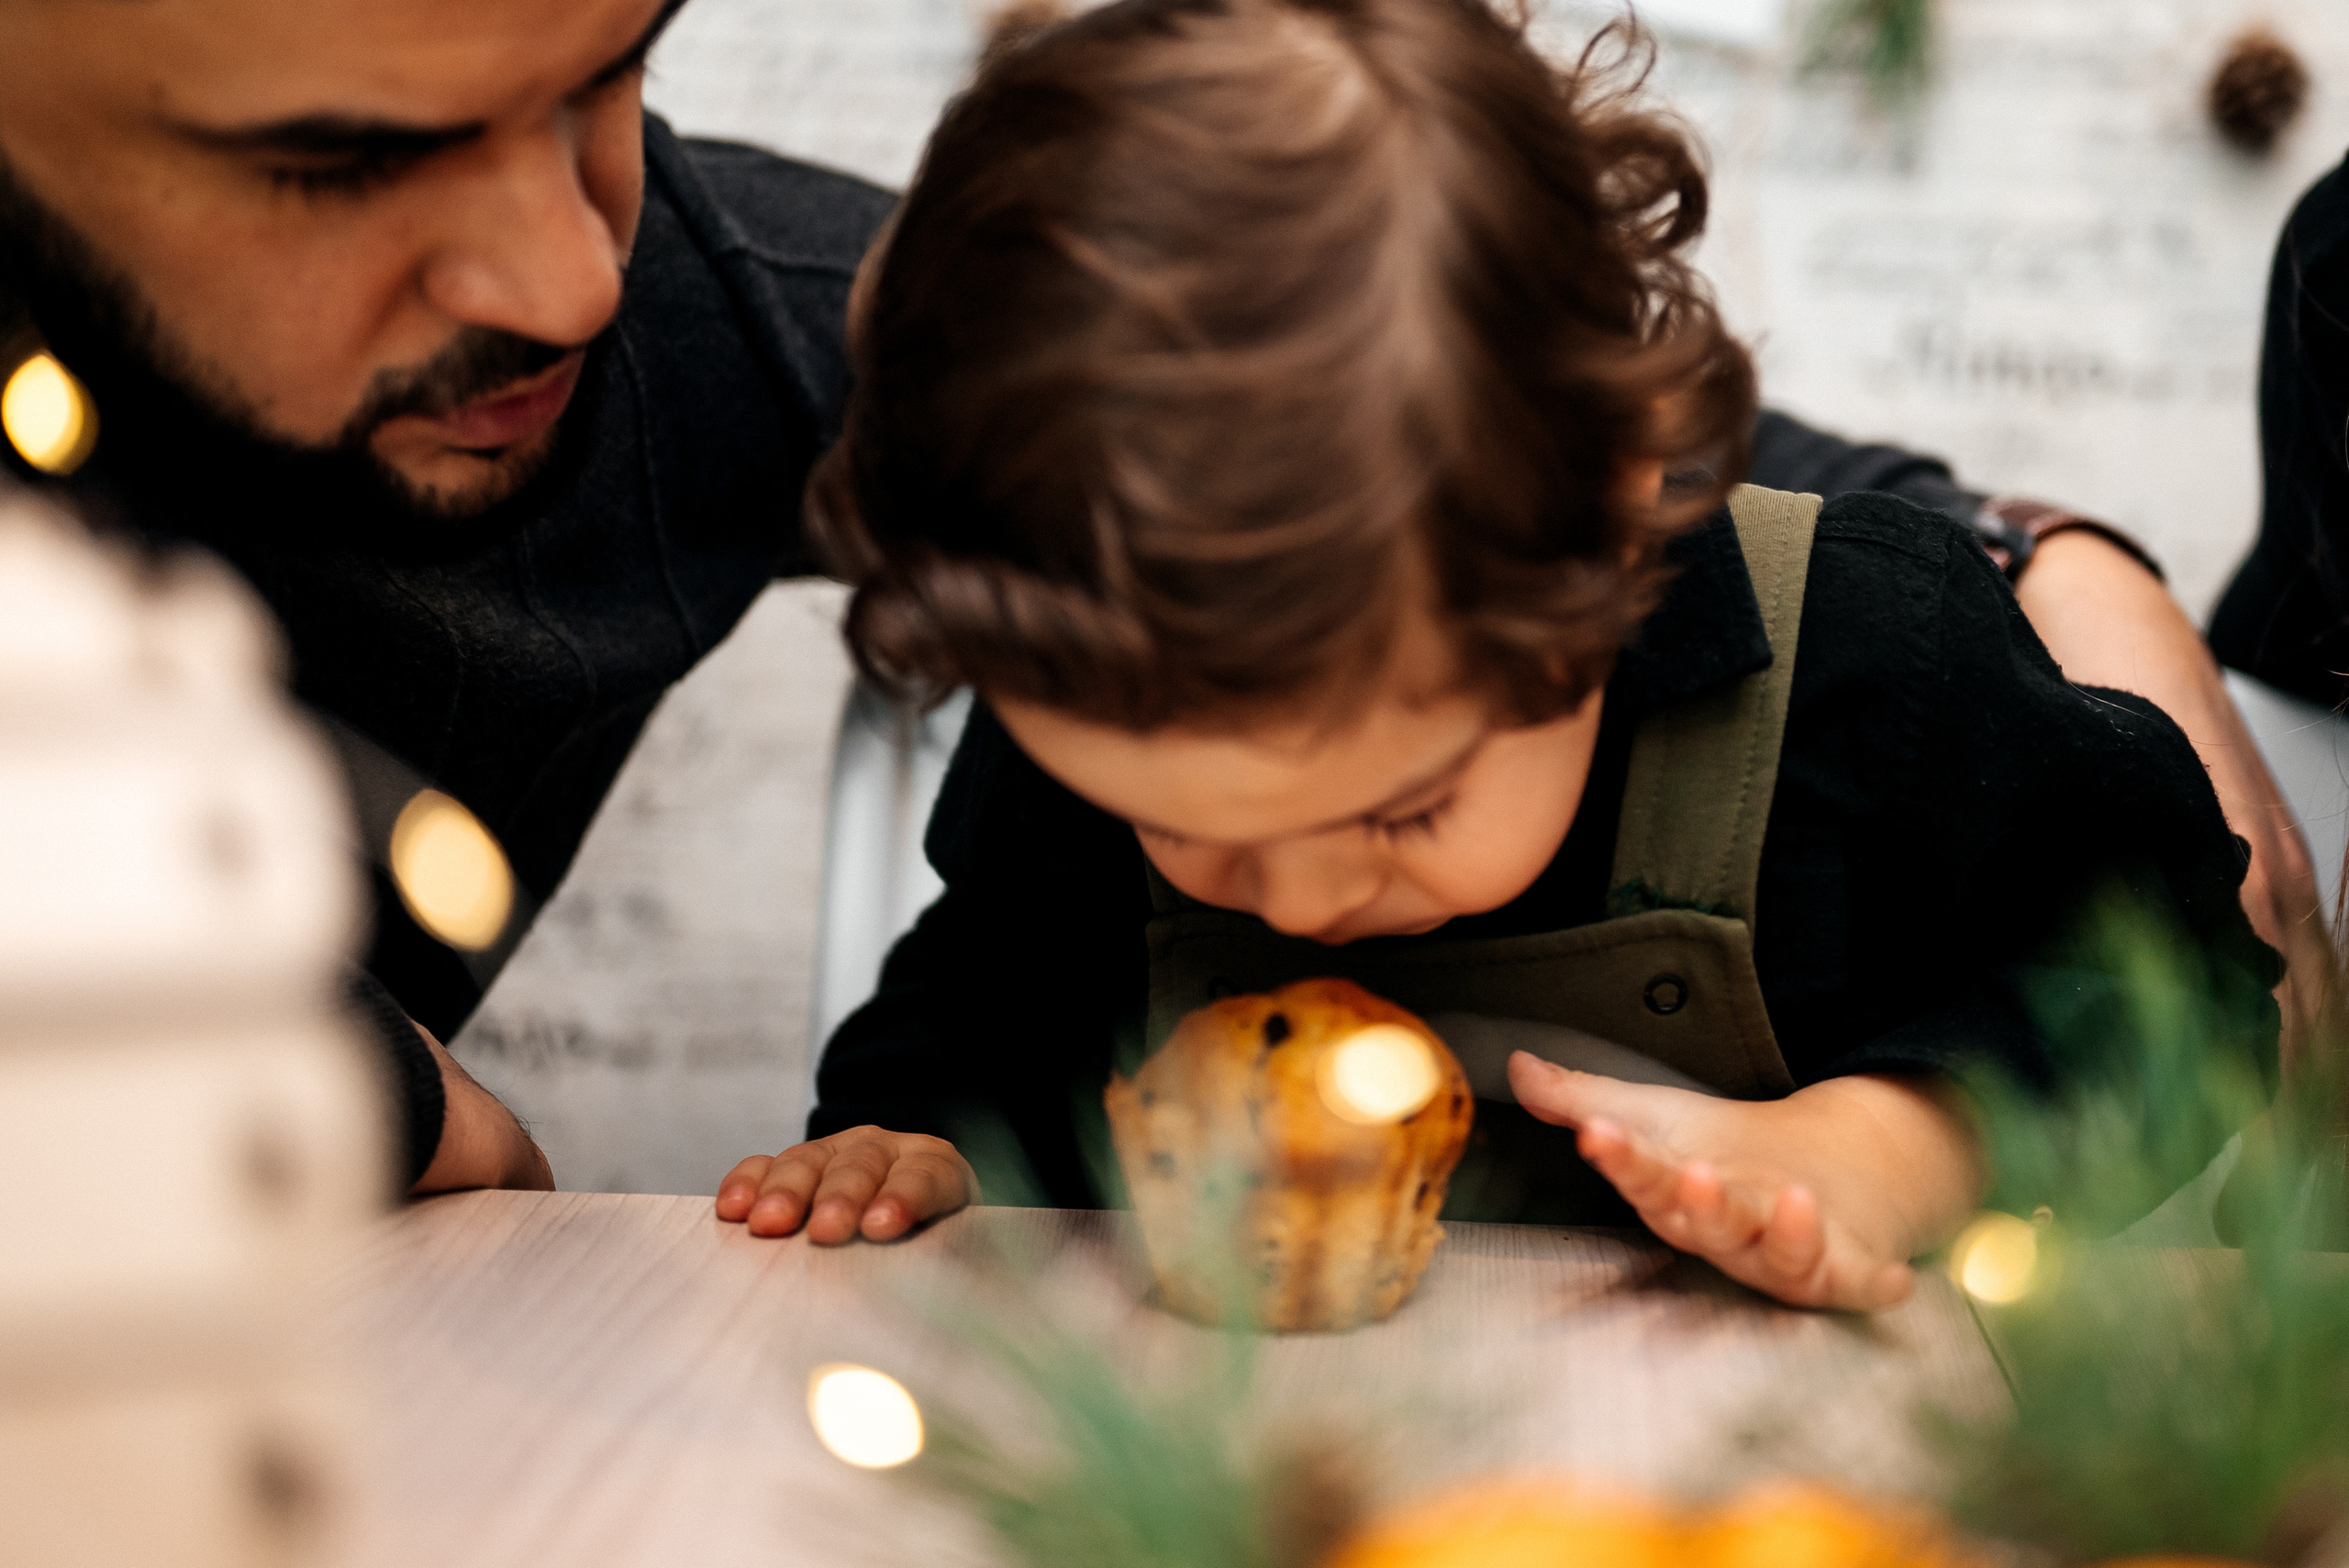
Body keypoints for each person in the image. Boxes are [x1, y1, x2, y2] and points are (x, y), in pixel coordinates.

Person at [719, 0, 2281, 1307]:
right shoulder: (1104, 658)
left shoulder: (1874, 663)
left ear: (1604, 539)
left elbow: (2178, 982)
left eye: (1401, 810)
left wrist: (1891, 1144)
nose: (1310, 902)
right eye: (1189, 826)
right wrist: (923, 1137)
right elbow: (999, 993)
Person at [0, 0, 973, 1223]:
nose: (570, 288)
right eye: (352, 163)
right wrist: (368, 1076)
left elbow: (1222, 470)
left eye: (610, 76)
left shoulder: (705, 321)